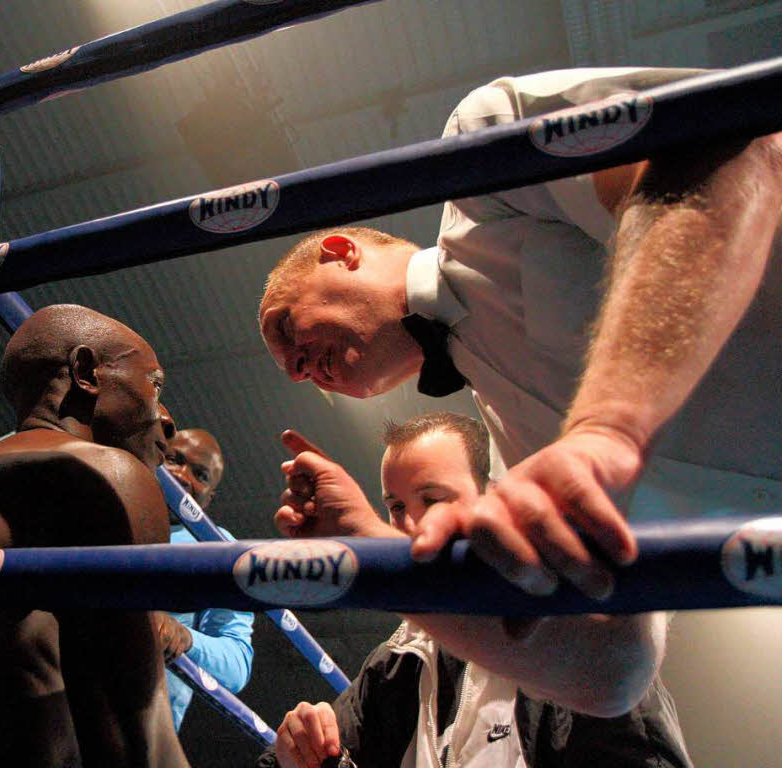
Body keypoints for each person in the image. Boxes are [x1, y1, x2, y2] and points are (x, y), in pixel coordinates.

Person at [259, 67, 782, 600]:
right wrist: (364, 543)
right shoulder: (512, 457)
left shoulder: (481, 163)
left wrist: (610, 426)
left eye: (285, 326)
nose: (299, 370)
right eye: (292, 373)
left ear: (342, 254)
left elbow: (720, 148)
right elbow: (609, 669)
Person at [261, 413, 690, 768]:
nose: (410, 526)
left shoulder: (577, 639)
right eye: (395, 507)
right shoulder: (401, 661)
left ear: (490, 497)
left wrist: (363, 536)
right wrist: (299, 749)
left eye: (432, 499)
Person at [0, 304, 190, 768]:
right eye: (154, 384)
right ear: (86, 373)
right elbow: (140, 736)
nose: (165, 418)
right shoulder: (104, 473)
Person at [157, 427, 255, 731]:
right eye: (175, 460)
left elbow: (237, 663)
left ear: (209, 497)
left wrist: (184, 639)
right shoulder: (111, 509)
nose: (183, 477)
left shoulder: (216, 547)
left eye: (200, 475)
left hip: (141, 736)